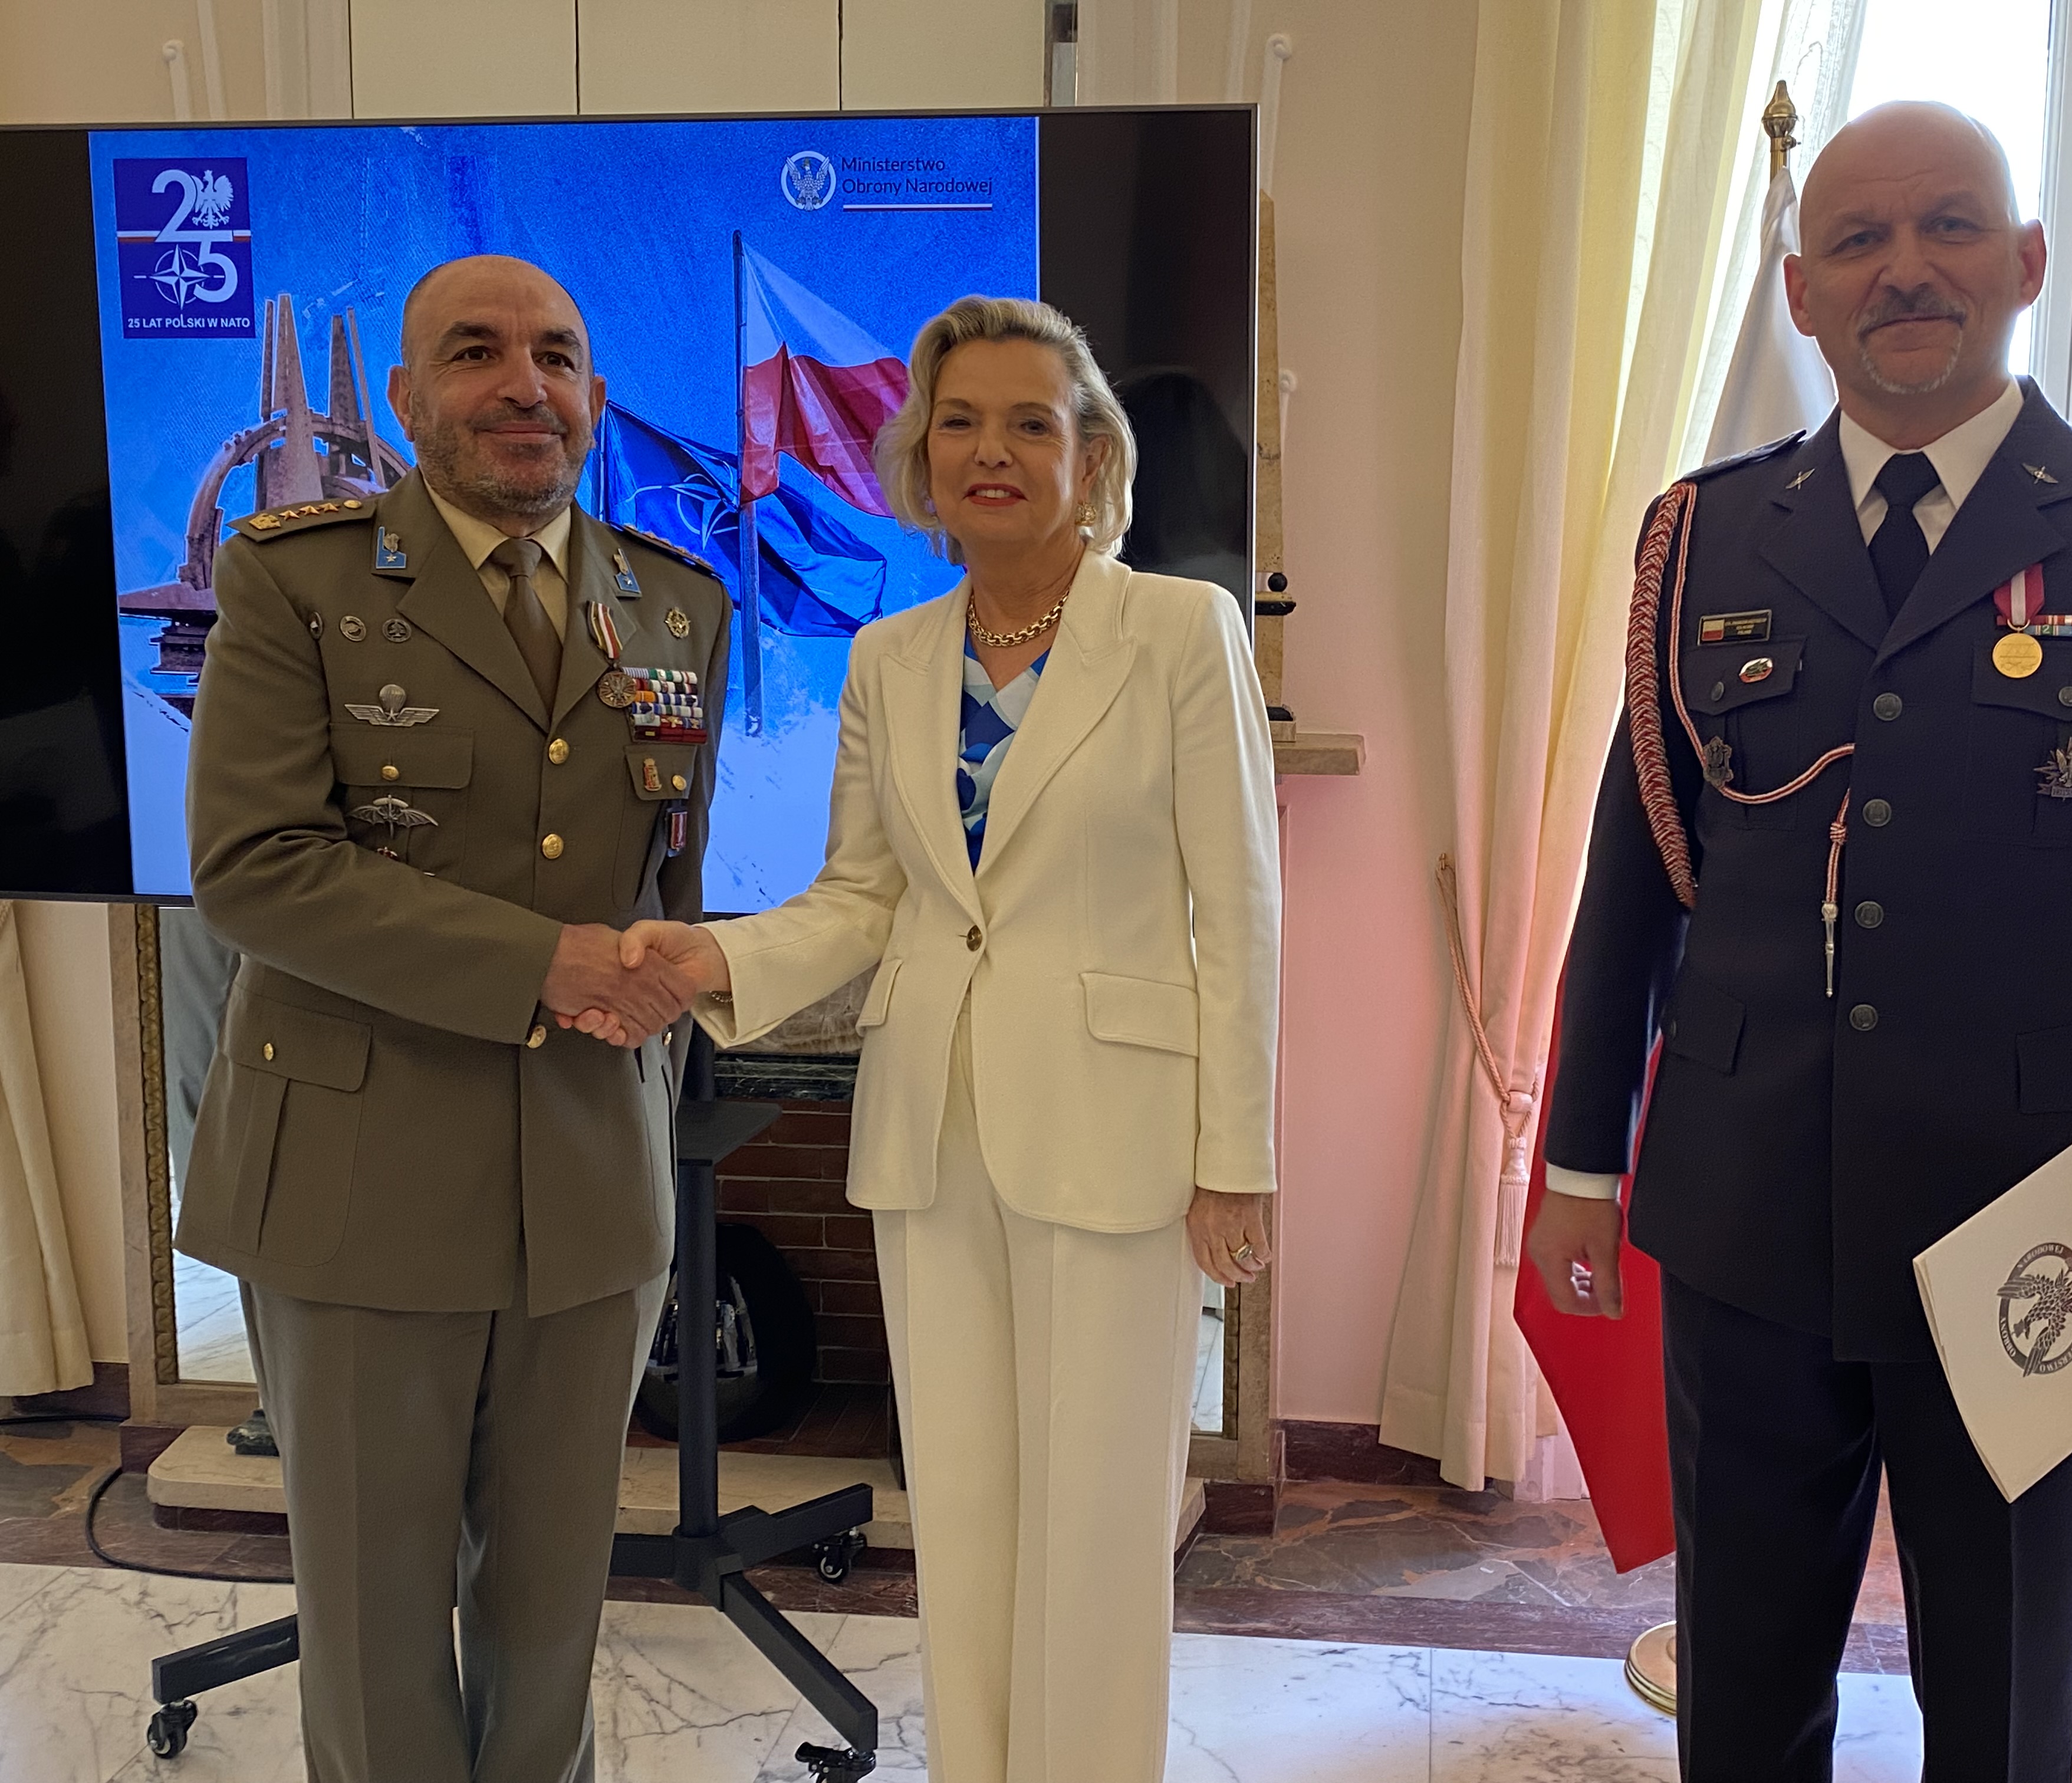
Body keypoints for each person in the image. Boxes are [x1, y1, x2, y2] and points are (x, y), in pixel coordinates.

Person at [1524, 103, 2072, 1781]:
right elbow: (1641, 871)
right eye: (1858, 241)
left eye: (1949, 226)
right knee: (1742, 1694)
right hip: (1749, 1209)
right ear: (1802, 293)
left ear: (2024, 262)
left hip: (2042, 1221)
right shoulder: (1705, 537)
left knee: (2005, 1704)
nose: (1904, 269)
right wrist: (1581, 1159)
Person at [572, 295, 1281, 1783]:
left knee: (1099, 1520)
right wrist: (716, 956)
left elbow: (1242, 911)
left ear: (1093, 458)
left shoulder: (1179, 631)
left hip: (1119, 1135)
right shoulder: (891, 657)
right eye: (960, 422)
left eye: (1031, 422)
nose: (991, 450)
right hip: (931, 1134)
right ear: (921, 456)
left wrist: (1239, 1157)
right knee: (959, 1512)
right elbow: (861, 899)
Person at [178, 254, 728, 1783]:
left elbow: (670, 893)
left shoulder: (677, 607)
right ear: (408, 399)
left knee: (552, 1624)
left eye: (555, 355)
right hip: (359, 1176)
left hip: (592, 1179)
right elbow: (256, 866)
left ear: (594, 396)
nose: (522, 385)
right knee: (374, 1627)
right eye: (476, 353)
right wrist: (545, 962)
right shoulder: (296, 582)